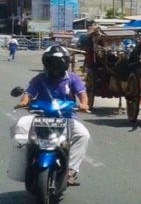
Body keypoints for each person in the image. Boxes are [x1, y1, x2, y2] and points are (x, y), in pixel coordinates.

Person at [13, 45, 90, 185]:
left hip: (67, 118)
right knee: (20, 125)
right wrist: (23, 102)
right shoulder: (39, 78)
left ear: (65, 63)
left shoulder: (73, 78)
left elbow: (82, 94)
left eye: (58, 62)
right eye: (52, 62)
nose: (55, 65)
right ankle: (25, 161)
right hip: (41, 117)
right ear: (46, 62)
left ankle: (71, 171)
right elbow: (28, 94)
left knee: (83, 135)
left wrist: (84, 104)